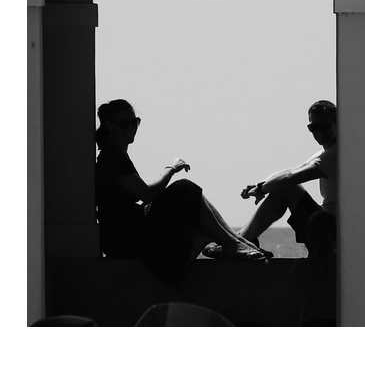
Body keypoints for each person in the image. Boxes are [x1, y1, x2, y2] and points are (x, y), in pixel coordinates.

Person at [94, 99, 267, 285]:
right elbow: (146, 194)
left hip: (129, 231)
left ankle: (236, 240)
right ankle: (231, 244)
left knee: (192, 195)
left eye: (134, 122)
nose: (131, 128)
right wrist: (170, 169)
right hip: (124, 240)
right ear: (110, 126)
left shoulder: (117, 155)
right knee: (184, 188)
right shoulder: (111, 158)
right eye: (124, 124)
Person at [212, 100, 338, 258]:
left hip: (334, 234)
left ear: (338, 123)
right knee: (284, 186)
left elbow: (289, 178)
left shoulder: (338, 154)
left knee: (288, 188)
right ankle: (241, 239)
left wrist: (261, 189)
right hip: (326, 227)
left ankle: (240, 241)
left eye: (324, 126)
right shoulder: (323, 155)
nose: (319, 131)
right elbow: (289, 172)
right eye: (313, 127)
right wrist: (261, 185)